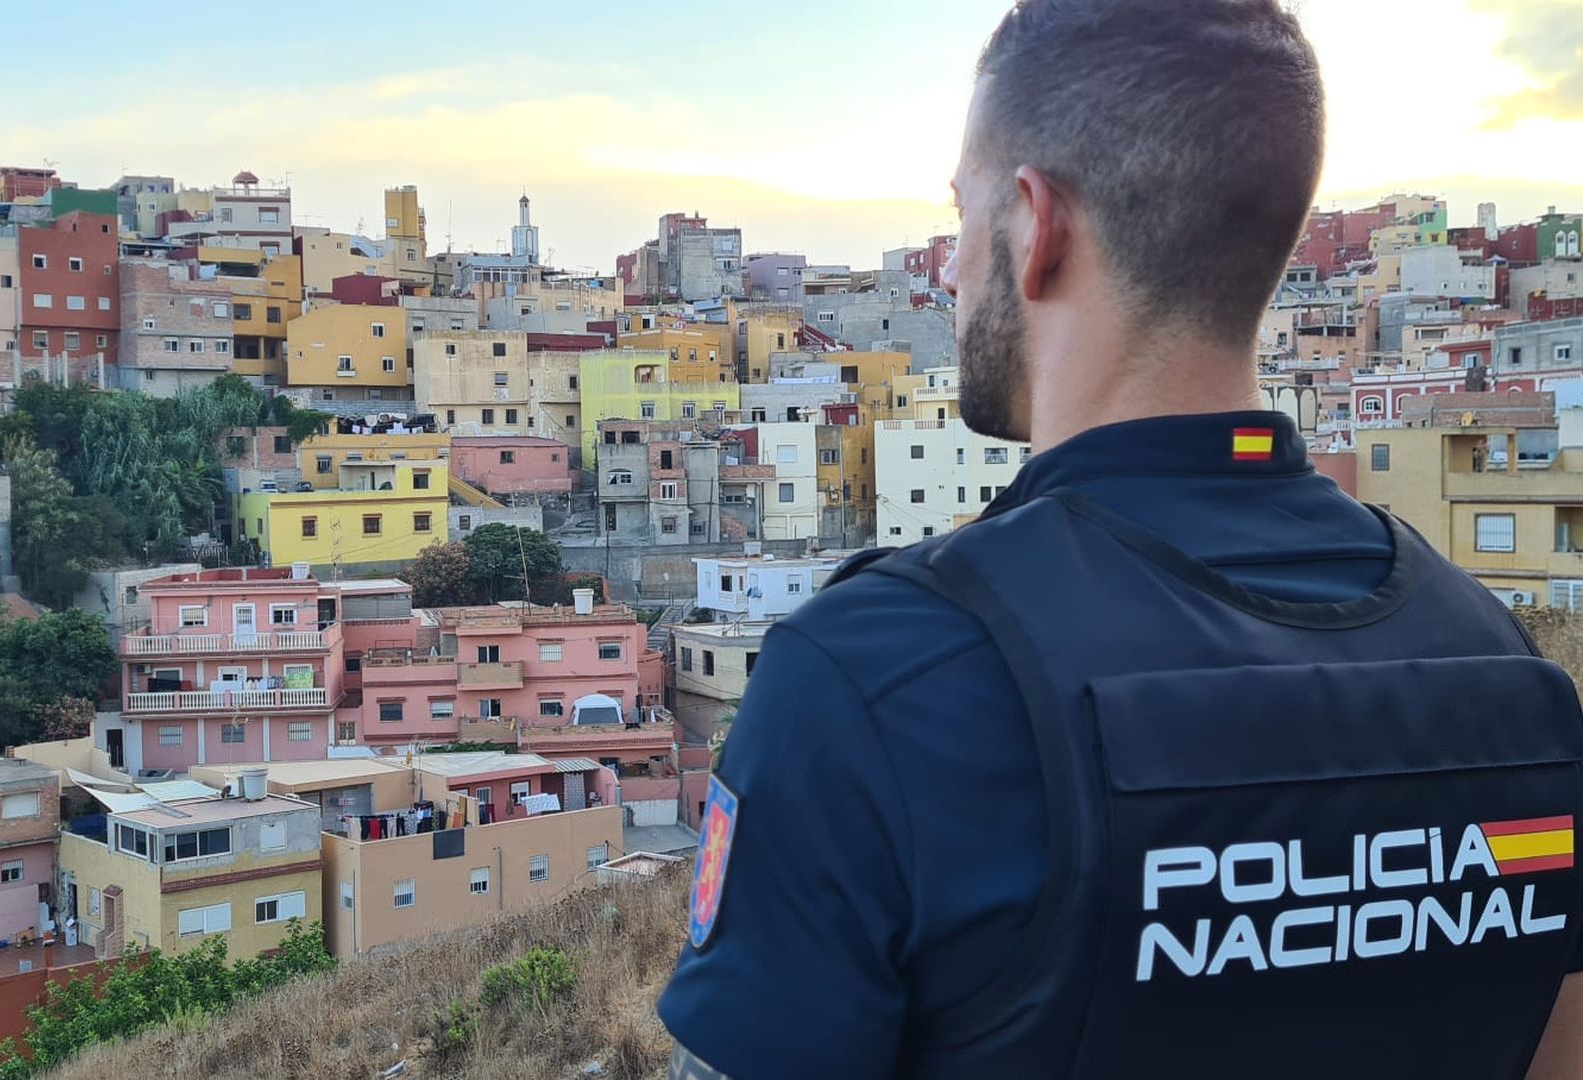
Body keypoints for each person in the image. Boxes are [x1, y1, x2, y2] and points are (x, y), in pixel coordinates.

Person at [657, 2, 1583, 1077]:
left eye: (959, 221)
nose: (948, 276)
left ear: (1034, 224)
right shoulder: (1498, 667)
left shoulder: (873, 683)